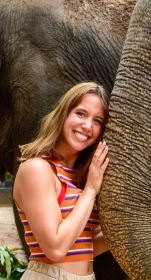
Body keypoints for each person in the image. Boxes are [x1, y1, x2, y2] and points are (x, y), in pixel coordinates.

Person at [13, 82, 110, 279]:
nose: (87, 126)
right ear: (64, 113)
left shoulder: (79, 176)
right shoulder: (38, 169)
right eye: (81, 113)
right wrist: (91, 190)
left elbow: (82, 245)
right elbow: (55, 249)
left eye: (97, 120)